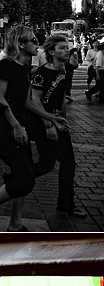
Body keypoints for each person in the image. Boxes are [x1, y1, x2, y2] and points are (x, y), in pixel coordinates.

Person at [0, 25, 42, 233]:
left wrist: (50, 118)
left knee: (23, 174)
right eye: (32, 40)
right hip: (2, 128)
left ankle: (15, 223)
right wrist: (16, 126)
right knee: (25, 178)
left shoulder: (24, 68)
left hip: (18, 127)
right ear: (21, 44)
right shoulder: (5, 65)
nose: (36, 43)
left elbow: (27, 102)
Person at [28, 35, 87, 218]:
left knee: (66, 163)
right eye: (62, 48)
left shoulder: (62, 70)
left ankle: (66, 204)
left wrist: (63, 120)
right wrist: (48, 124)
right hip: (44, 124)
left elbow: (61, 99)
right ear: (52, 52)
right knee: (47, 164)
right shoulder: (41, 73)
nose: (66, 50)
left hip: (58, 122)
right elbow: (34, 100)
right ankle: (18, 179)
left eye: (66, 47)